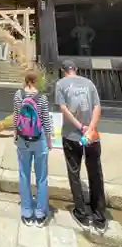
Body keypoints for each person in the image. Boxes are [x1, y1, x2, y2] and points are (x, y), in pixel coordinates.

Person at [55, 59, 106, 233]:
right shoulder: (89, 83)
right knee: (95, 173)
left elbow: (64, 109)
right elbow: (97, 107)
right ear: (75, 70)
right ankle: (99, 216)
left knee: (74, 172)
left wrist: (80, 127)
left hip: (71, 136)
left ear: (63, 71)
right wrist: (90, 128)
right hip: (92, 136)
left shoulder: (61, 84)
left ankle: (81, 213)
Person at [14, 70, 53, 227]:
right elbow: (46, 121)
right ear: (37, 81)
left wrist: (15, 136)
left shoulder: (18, 96)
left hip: (23, 139)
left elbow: (16, 117)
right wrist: (49, 142)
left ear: (25, 80)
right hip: (39, 139)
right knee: (41, 176)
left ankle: (26, 212)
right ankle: (40, 213)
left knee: (24, 174)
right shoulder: (42, 98)